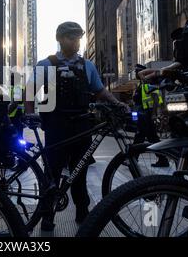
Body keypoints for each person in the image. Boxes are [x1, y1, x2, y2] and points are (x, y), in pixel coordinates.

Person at [24, 22, 129, 231]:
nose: (75, 41)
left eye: (77, 37)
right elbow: (30, 91)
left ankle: (83, 212)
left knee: (79, 172)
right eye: (71, 37)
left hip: (82, 126)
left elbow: (100, 91)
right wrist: (29, 113)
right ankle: (47, 214)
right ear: (60, 39)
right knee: (52, 172)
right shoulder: (46, 64)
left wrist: (117, 103)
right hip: (56, 126)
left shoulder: (87, 66)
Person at [133, 65, 169, 168]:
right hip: (142, 114)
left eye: (138, 71)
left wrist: (153, 114)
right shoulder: (142, 84)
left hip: (147, 115)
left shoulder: (149, 83)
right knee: (148, 138)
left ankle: (134, 158)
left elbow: (156, 99)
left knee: (143, 137)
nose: (136, 73)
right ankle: (162, 159)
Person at [8, 73, 25, 138]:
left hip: (15, 115)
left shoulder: (17, 88)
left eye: (12, 78)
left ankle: (18, 147)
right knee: (18, 134)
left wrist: (8, 112)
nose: (10, 80)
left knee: (16, 135)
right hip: (17, 114)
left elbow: (15, 103)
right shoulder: (16, 87)